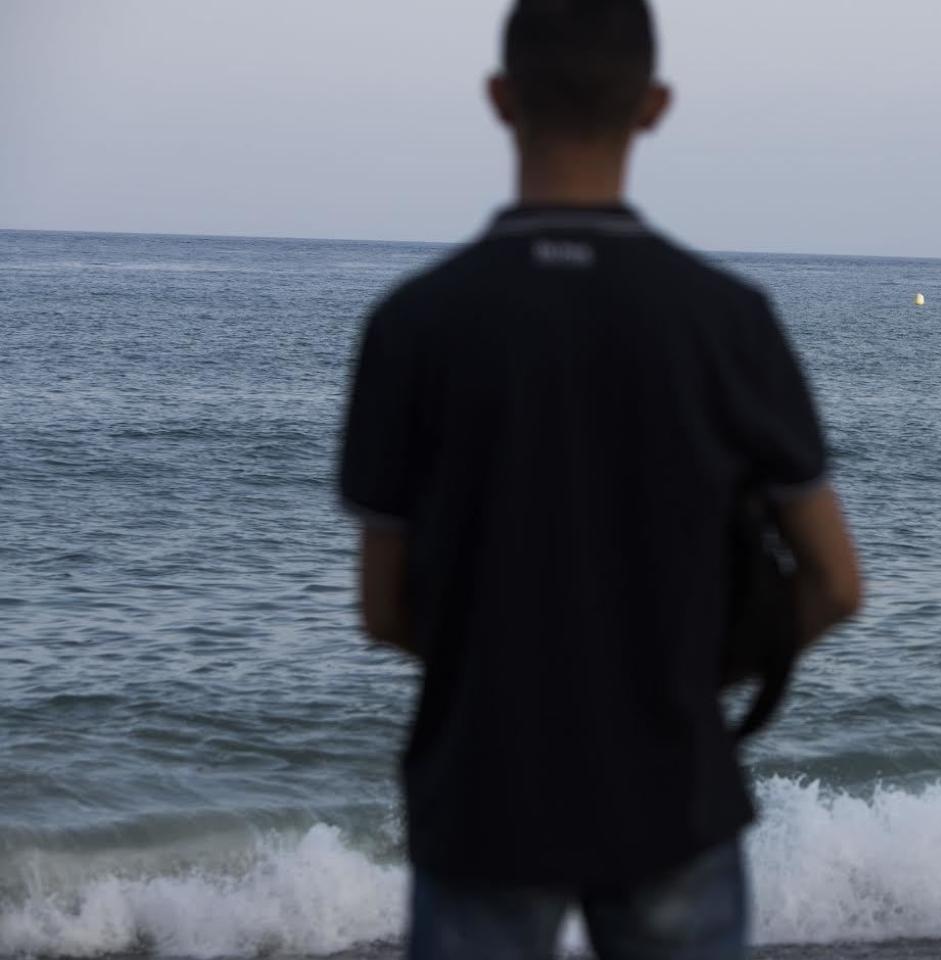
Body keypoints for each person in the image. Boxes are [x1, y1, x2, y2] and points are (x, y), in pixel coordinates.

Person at [336, 1, 862, 957]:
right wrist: (687, 679)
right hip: (673, 792)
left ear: (501, 100)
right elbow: (835, 583)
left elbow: (381, 608)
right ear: (653, 107)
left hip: (482, 796)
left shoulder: (414, 324)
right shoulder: (726, 321)